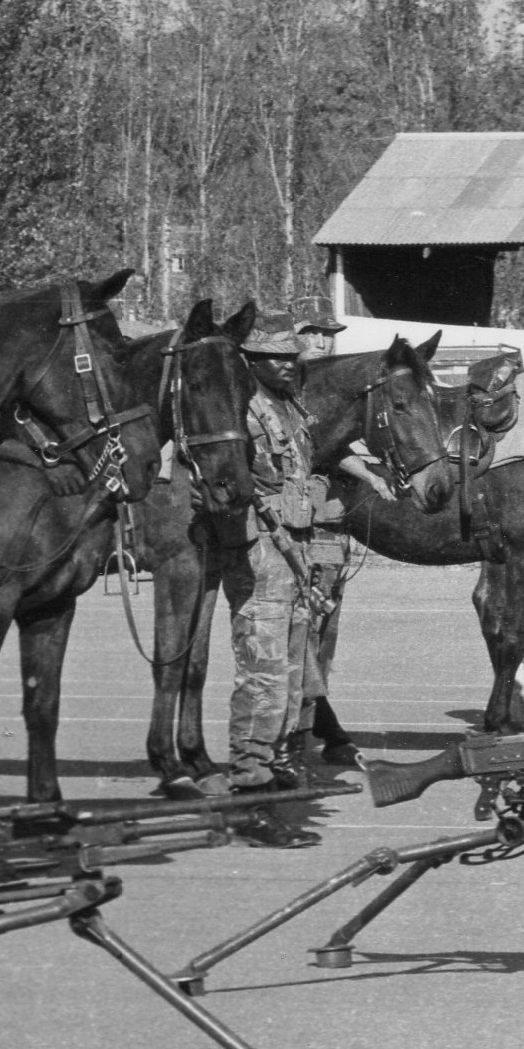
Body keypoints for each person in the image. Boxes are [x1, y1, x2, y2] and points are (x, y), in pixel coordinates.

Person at [207, 312, 322, 848]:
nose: (287, 364)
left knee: (294, 675)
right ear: (250, 361)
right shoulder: (240, 409)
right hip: (260, 550)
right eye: (274, 357)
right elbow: (226, 482)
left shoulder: (289, 405)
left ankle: (272, 775)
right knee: (264, 677)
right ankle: (248, 793)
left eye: (291, 356)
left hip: (295, 549)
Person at [291, 305, 359, 768]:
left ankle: (318, 721)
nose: (322, 342)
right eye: (312, 333)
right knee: (305, 628)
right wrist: (370, 475)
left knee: (324, 631)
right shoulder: (289, 393)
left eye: (328, 334)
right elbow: (322, 449)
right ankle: (309, 730)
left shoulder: (329, 391)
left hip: (331, 527)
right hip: (302, 528)